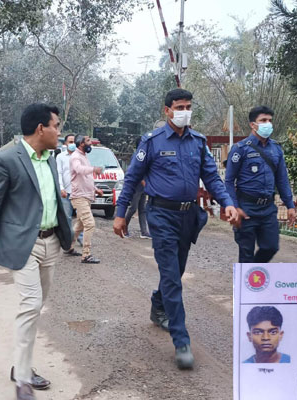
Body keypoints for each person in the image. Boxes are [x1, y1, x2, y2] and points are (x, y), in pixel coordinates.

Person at [113, 88, 237, 369]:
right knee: (172, 275)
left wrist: (227, 202)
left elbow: (212, 178)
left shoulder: (198, 142)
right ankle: (182, 341)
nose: (184, 111)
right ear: (166, 111)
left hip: (187, 216)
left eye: (188, 106)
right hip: (161, 216)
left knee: (176, 271)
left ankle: (159, 305)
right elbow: (132, 179)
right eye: (179, 107)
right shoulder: (152, 142)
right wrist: (121, 214)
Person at [0, 103, 71, 400]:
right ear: (41, 128)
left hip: (51, 242)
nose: (59, 131)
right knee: (30, 305)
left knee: (37, 306)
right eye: (56, 125)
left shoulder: (52, 158)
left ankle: (21, 366)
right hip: (23, 244)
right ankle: (23, 379)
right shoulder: (6, 159)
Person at [224, 106, 297, 263]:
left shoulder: (276, 149)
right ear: (253, 124)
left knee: (271, 247)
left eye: (270, 120)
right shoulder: (240, 149)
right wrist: (235, 207)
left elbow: (282, 179)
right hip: (246, 208)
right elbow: (229, 181)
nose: (268, 124)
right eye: (263, 120)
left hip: (268, 209)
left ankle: (253, 275)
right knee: (246, 253)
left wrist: (290, 205)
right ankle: (247, 284)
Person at [69, 134, 104, 264]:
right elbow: (79, 170)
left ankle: (69, 246)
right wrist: (94, 169)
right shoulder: (76, 157)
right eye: (88, 141)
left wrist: (95, 189)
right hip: (80, 197)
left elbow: (86, 178)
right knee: (89, 224)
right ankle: (86, 255)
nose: (91, 143)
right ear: (81, 144)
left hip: (86, 196)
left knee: (79, 226)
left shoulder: (83, 156)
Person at [56, 134, 81, 256]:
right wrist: (61, 188)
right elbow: (59, 173)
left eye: (74, 141)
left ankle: (80, 239)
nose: (72, 144)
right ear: (65, 144)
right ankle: (68, 242)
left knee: (82, 217)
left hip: (78, 192)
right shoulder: (60, 157)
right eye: (70, 141)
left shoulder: (80, 156)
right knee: (67, 218)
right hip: (66, 192)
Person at [123, 137, 151, 239]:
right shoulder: (138, 155)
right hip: (137, 185)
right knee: (133, 207)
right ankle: (124, 227)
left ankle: (144, 231)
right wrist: (143, 181)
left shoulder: (146, 154)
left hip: (144, 185)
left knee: (142, 209)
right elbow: (135, 171)